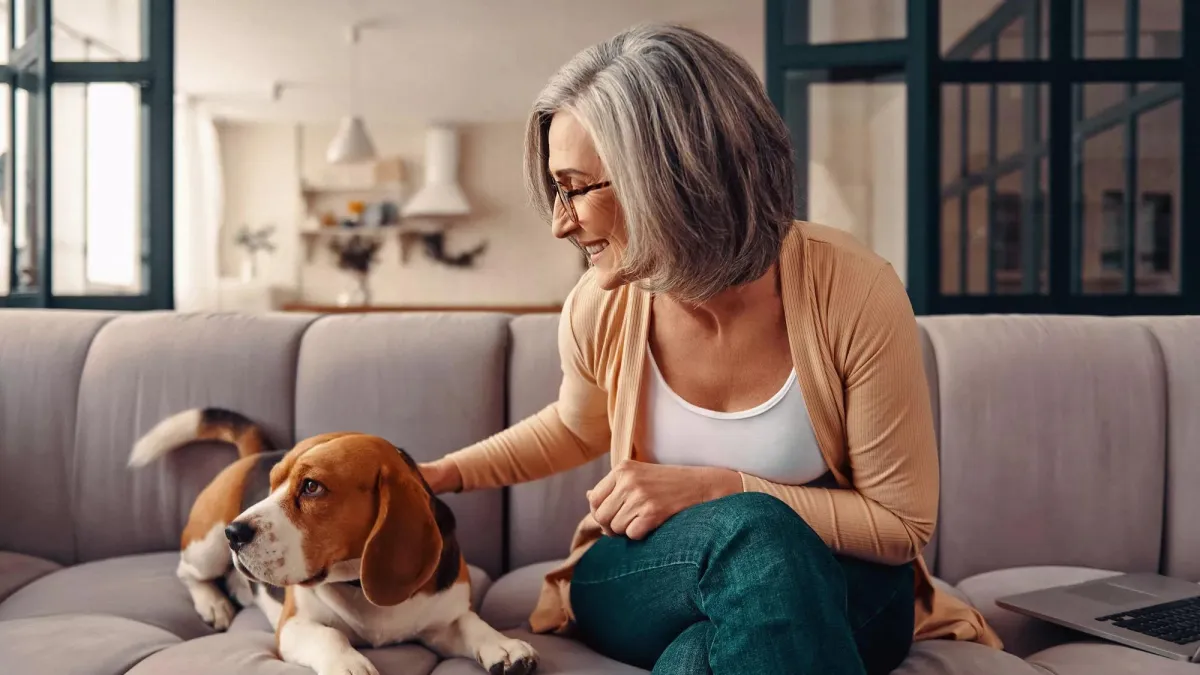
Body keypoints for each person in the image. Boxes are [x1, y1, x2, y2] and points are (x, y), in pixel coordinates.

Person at [419, 23, 1001, 675]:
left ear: (670, 173)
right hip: (646, 570)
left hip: (845, 582)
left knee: (708, 645)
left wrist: (714, 487)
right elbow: (575, 423)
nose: (560, 221)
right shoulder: (600, 303)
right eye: (558, 190)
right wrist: (443, 474)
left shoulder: (852, 290)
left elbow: (898, 526)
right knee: (755, 535)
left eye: (577, 186)